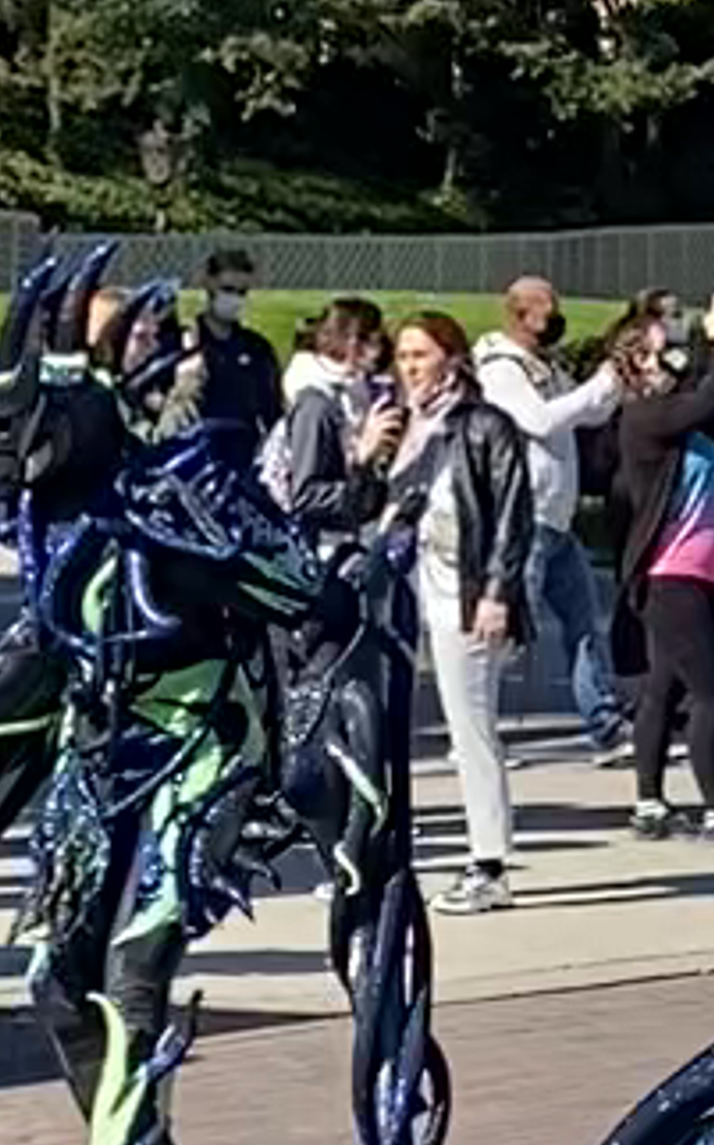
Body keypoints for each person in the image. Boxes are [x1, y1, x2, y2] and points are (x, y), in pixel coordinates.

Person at [377, 314, 535, 908]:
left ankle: (488, 862)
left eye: (421, 354)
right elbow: (371, 503)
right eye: (403, 356)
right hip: (408, 590)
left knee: (471, 729)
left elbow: (511, 514)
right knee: (390, 730)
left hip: (462, 594)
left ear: (452, 357)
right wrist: (370, 451)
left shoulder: (485, 425)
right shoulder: (409, 425)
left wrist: (497, 591)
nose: (410, 366)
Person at [478, 277, 628, 743]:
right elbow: (539, 421)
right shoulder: (501, 369)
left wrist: (615, 383)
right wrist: (595, 386)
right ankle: (478, 728)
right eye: (547, 311)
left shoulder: (545, 366)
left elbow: (586, 414)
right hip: (525, 516)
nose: (556, 318)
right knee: (510, 637)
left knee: (583, 624)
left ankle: (602, 721)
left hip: (559, 520)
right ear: (519, 315)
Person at [609, 304, 714, 834]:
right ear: (639, 363)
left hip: (692, 575)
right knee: (712, 691)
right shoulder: (645, 418)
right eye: (665, 352)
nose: (676, 360)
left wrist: (702, 358)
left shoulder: (676, 417)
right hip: (673, 575)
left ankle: (650, 803)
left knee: (663, 688)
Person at [267, 296, 389, 525]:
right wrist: (373, 494)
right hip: (322, 540)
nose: (382, 349)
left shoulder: (356, 392)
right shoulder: (316, 406)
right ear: (351, 342)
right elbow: (305, 496)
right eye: (375, 339)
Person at [182, 254, 284, 463]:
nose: (235, 299)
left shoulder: (257, 349)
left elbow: (272, 412)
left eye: (242, 292)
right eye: (227, 290)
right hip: (196, 455)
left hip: (244, 457)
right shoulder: (184, 343)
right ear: (209, 284)